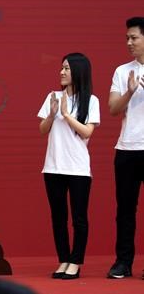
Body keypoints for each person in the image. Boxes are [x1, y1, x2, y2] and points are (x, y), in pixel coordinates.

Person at [37, 53, 99, 280]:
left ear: (78, 71)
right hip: (53, 167)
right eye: (61, 68)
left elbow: (87, 132)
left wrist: (66, 115)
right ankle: (63, 259)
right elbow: (42, 130)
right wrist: (53, 115)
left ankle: (75, 261)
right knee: (58, 216)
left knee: (79, 218)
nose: (61, 72)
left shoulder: (91, 101)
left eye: (66, 68)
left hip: (78, 169)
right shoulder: (52, 96)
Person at [107, 16, 144, 279]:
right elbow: (112, 109)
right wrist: (129, 92)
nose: (129, 43)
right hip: (127, 148)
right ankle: (123, 262)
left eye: (134, 38)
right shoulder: (122, 71)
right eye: (127, 38)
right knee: (125, 210)